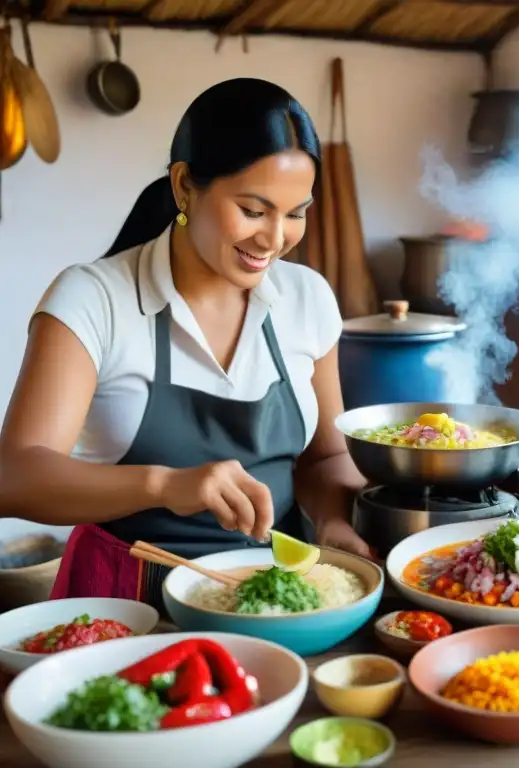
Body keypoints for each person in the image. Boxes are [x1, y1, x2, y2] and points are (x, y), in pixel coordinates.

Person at [0, 78, 372, 607]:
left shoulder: (307, 297)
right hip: (127, 602)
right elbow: (14, 476)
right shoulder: (93, 298)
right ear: (183, 187)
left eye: (295, 213)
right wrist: (163, 485)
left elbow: (324, 457)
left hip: (277, 600)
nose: (274, 239)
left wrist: (333, 520)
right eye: (253, 209)